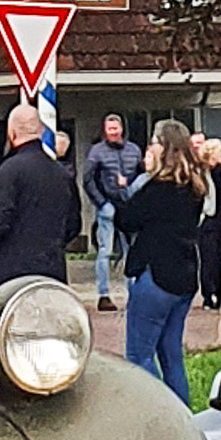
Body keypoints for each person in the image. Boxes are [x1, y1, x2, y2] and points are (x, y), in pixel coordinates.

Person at [114, 119, 211, 402]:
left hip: (154, 274)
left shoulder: (157, 187)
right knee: (170, 353)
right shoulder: (195, 187)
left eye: (154, 142)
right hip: (184, 275)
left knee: (138, 354)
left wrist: (133, 182)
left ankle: (160, 414)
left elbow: (126, 218)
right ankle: (182, 416)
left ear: (164, 148)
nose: (149, 147)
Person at [0, 104, 81, 293]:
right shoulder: (61, 174)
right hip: (51, 273)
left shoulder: (10, 170)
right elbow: (74, 223)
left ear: (11, 132)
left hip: (12, 277)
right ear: (41, 131)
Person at [82, 114, 141, 312]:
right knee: (105, 251)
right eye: (109, 129)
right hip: (107, 205)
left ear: (121, 129)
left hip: (130, 206)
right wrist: (101, 203)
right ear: (105, 130)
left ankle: (134, 294)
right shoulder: (96, 152)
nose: (113, 132)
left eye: (115, 129)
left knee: (131, 251)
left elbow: (142, 175)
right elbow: (88, 179)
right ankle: (103, 295)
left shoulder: (134, 150)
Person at [196, 137, 221, 310]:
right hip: (209, 220)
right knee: (209, 258)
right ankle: (208, 294)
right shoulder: (203, 173)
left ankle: (219, 291)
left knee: (220, 257)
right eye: (220, 151)